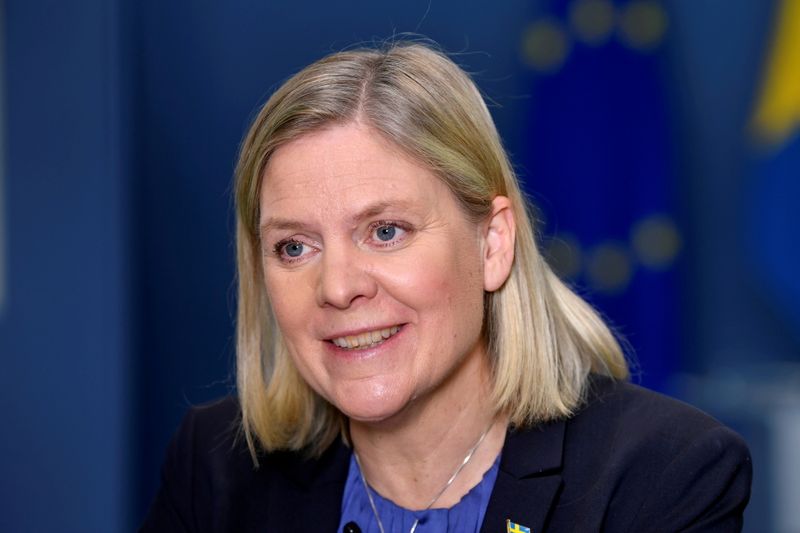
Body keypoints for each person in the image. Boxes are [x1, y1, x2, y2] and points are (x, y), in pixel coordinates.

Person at [141, 41, 751, 532]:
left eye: (385, 231)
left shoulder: (662, 475)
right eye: (294, 247)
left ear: (493, 245)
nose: (338, 287)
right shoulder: (215, 469)